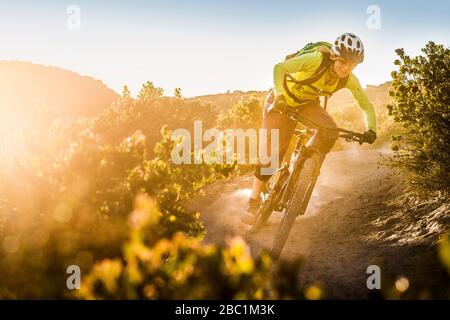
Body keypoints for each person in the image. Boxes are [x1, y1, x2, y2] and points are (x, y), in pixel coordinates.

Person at [241, 33, 377, 225]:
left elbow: (366, 105)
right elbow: (279, 68)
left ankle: (307, 165)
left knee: (330, 130)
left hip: (306, 103)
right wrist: (279, 96)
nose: (347, 68)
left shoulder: (348, 80)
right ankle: (253, 202)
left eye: (352, 65)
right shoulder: (315, 60)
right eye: (343, 62)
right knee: (272, 155)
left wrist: (371, 128)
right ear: (334, 56)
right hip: (281, 101)